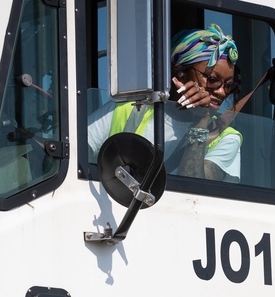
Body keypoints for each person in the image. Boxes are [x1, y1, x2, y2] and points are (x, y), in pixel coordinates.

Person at [87, 24, 242, 183]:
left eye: (228, 85)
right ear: (180, 73)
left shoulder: (227, 137)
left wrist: (201, 120)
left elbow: (195, 193)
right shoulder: (128, 109)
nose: (222, 92)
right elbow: (76, 157)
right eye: (213, 80)